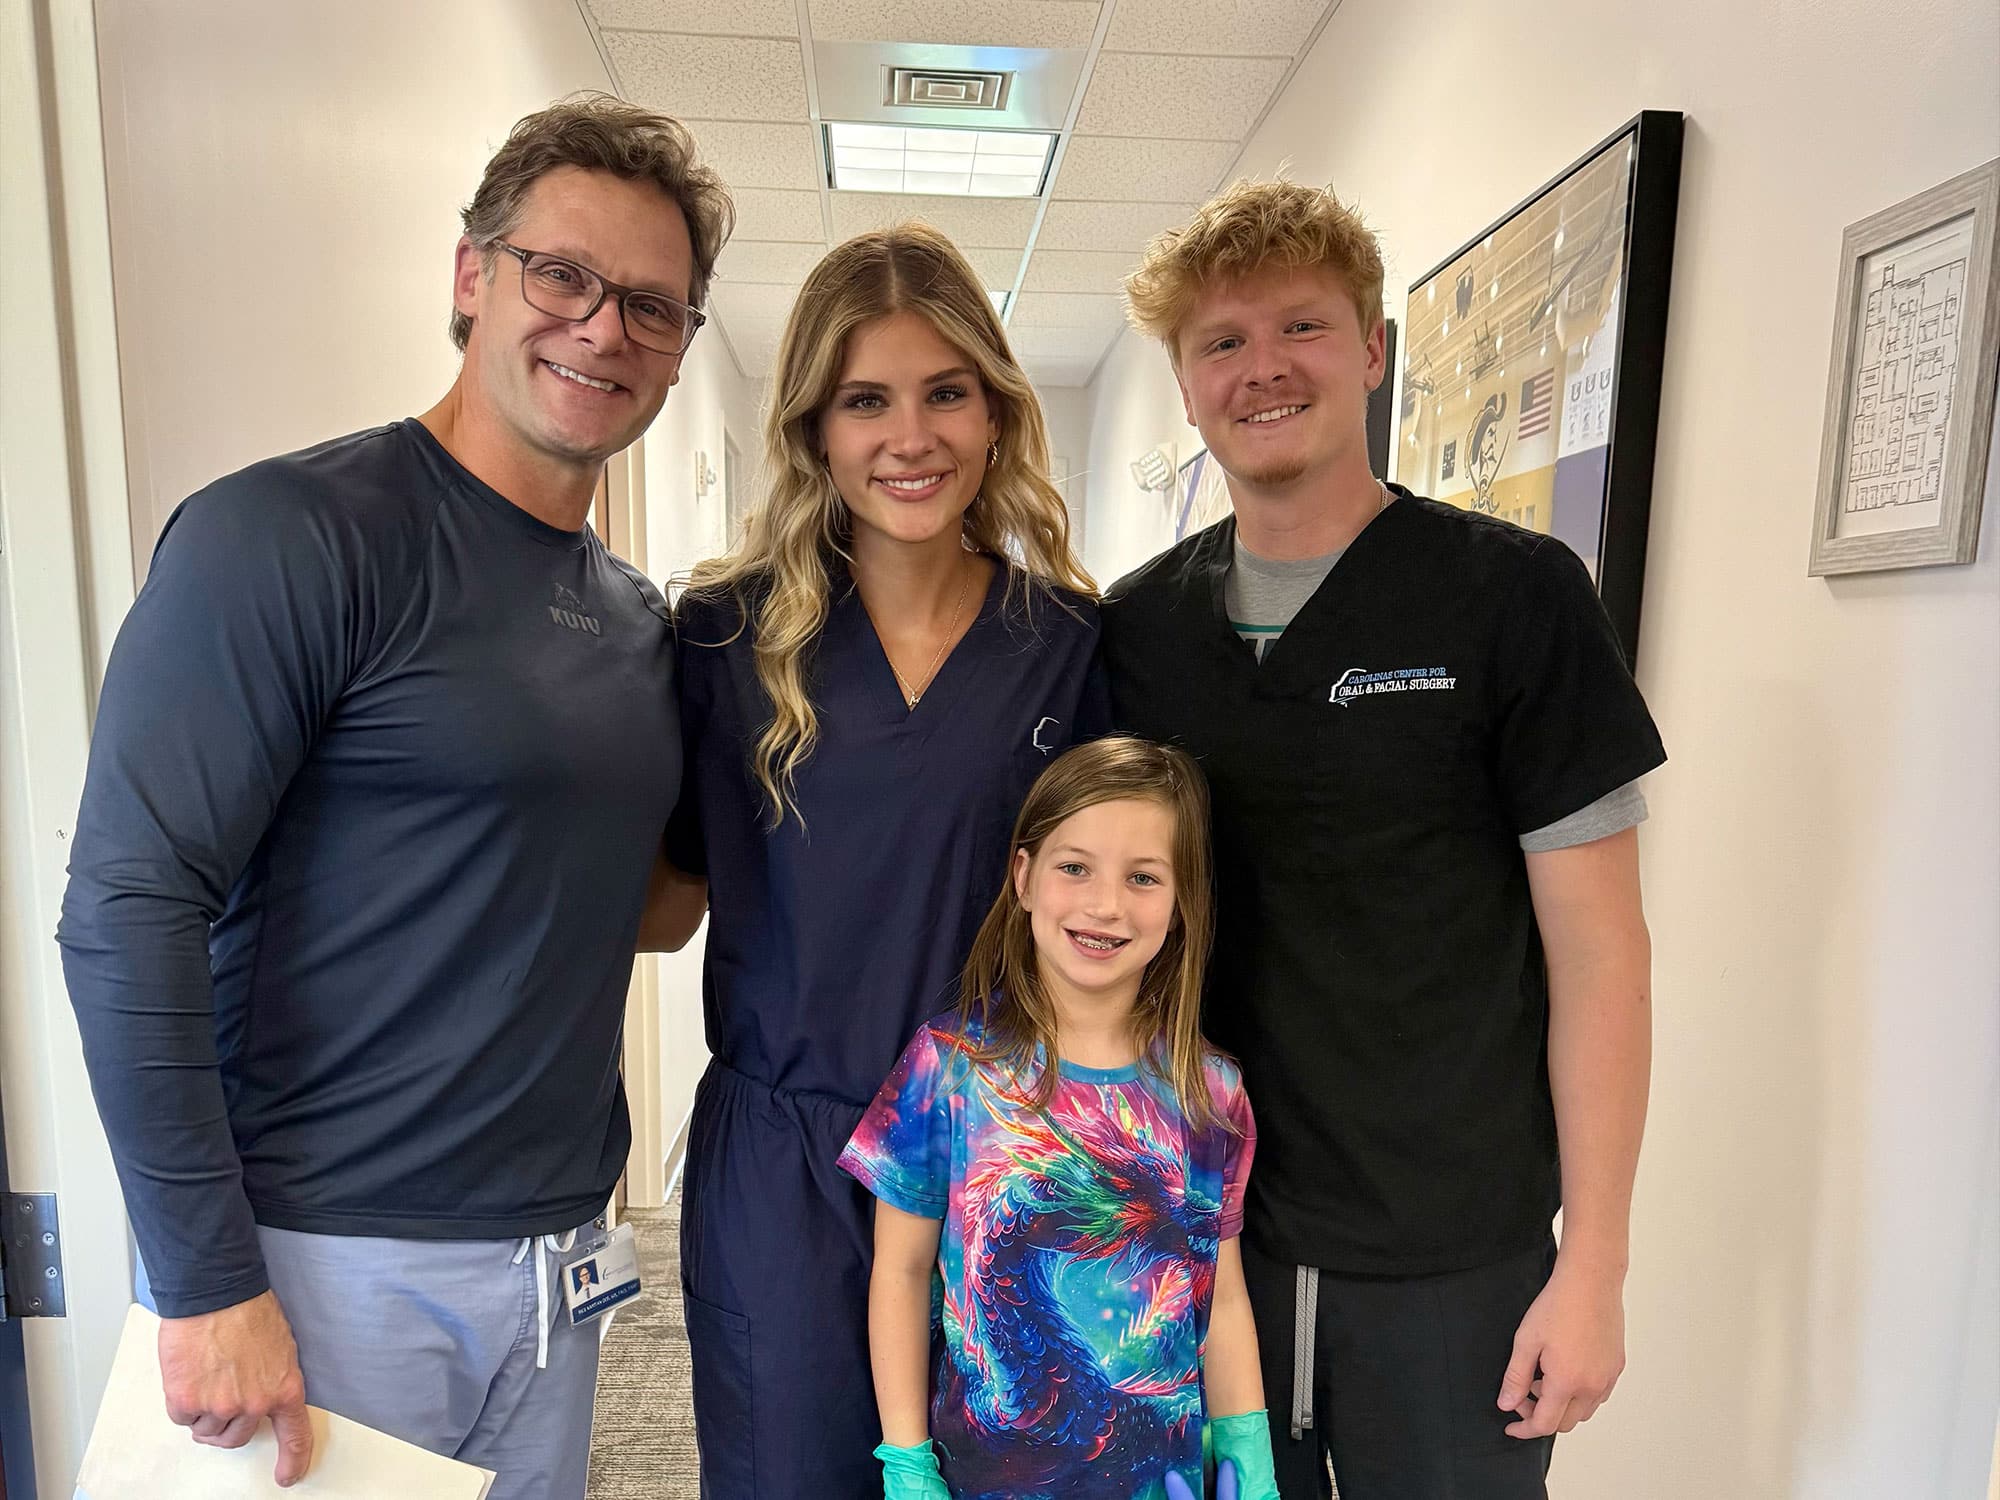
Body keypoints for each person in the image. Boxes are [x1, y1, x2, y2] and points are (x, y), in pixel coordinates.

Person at [56, 95, 730, 1497]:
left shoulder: (630, 617)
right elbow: (129, 903)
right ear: (472, 277)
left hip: (558, 1260)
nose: (603, 328)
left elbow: (642, 912)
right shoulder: (290, 538)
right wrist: (203, 1280)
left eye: (653, 307)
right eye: (564, 275)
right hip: (321, 1263)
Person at [1101, 179, 1664, 1500]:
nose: (1263, 370)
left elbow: (1603, 961)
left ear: (1371, 350)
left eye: (1300, 326)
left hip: (1450, 1262)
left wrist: (1596, 1267)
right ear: (1185, 386)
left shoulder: (1512, 600)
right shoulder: (1139, 631)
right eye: (1221, 343)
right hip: (1208, 1246)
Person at [667, 221, 1106, 1498]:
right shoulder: (721, 641)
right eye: (865, 400)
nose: (908, 438)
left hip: (1001, 1153)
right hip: (782, 1166)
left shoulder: (1071, 646)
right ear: (814, 427)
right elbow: (650, 885)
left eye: (944, 393)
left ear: (994, 411)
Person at [841, 736, 1280, 1500]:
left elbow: (1225, 1294)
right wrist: (904, 1459)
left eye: (1143, 878)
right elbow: (902, 1272)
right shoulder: (947, 1069)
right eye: (1074, 867)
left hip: (1162, 1478)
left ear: (1181, 908)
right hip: (989, 1480)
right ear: (1025, 879)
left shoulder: (1211, 1095)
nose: (1105, 905)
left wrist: (1249, 1450)